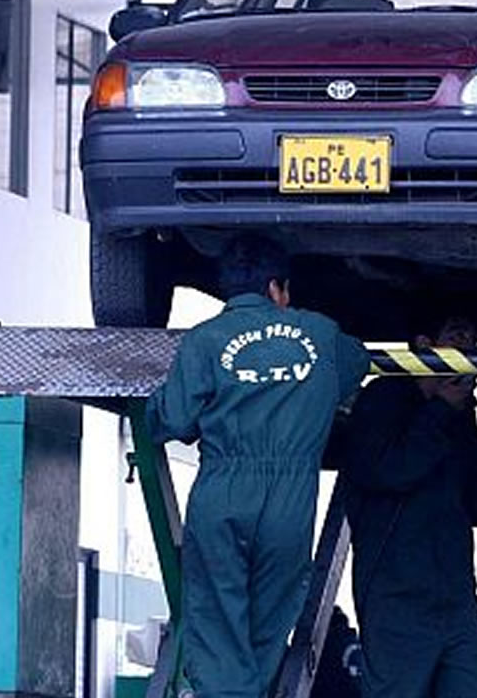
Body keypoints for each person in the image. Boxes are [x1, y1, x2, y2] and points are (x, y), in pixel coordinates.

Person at [146, 235, 371, 698]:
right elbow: (356, 365)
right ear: (276, 288)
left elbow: (172, 421)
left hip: (223, 489)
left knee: (215, 620)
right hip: (290, 499)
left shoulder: (204, 339)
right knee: (269, 623)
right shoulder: (320, 332)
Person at [342, 314, 477, 698]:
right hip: (397, 598)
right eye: (457, 336)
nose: (468, 347)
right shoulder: (385, 397)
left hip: (457, 599)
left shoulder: (459, 414)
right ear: (424, 345)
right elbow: (388, 472)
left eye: (472, 339)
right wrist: (441, 410)